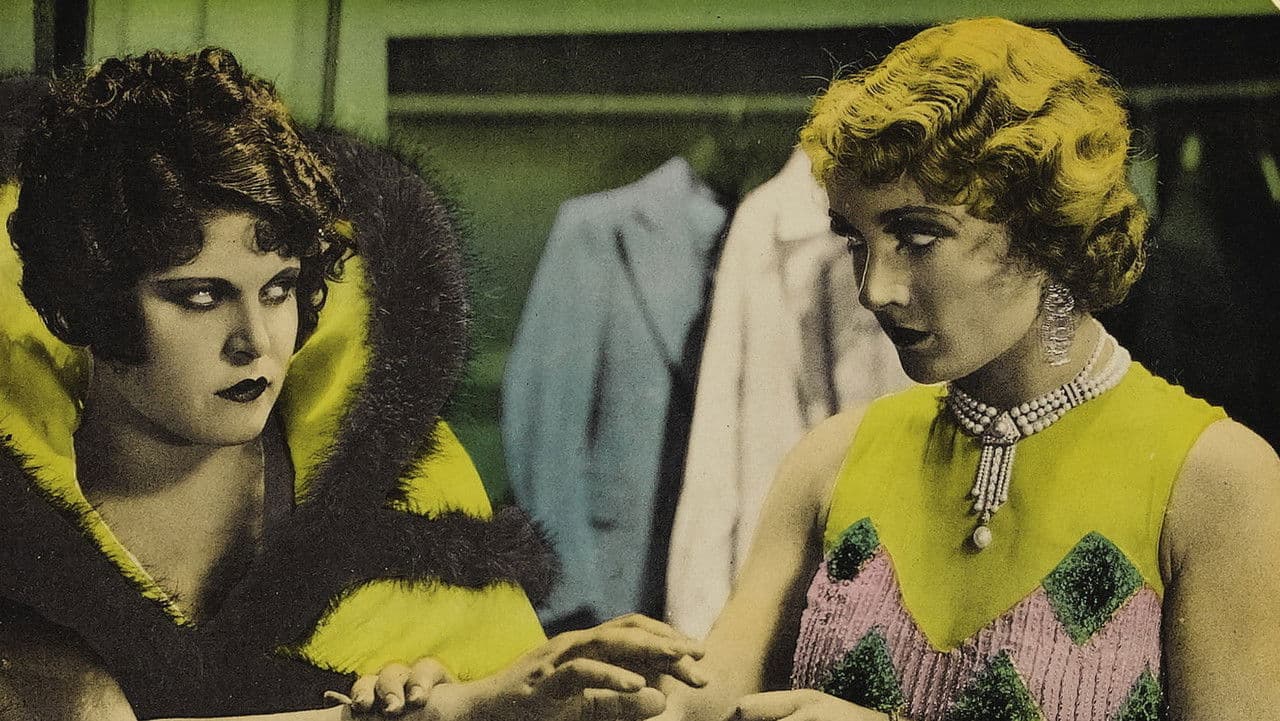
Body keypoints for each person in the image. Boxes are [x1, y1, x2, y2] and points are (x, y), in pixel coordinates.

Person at [0, 49, 700, 720]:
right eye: (201, 297)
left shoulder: (408, 486)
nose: (255, 341)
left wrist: (445, 697)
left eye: (278, 289)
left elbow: (505, 686)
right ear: (87, 300)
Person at [644, 17, 1280, 721]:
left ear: (1043, 230)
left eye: (918, 237)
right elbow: (701, 709)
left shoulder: (1217, 481)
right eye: (857, 241)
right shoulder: (829, 462)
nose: (874, 290)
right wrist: (600, 699)